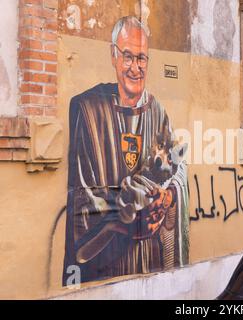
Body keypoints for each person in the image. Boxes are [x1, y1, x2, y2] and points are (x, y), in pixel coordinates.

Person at [63, 16, 189, 285]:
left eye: (141, 58)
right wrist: (126, 219)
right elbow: (82, 198)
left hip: (151, 263)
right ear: (113, 55)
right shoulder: (86, 110)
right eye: (128, 57)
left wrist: (165, 199)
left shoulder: (158, 112)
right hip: (107, 269)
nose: (135, 68)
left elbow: (177, 168)